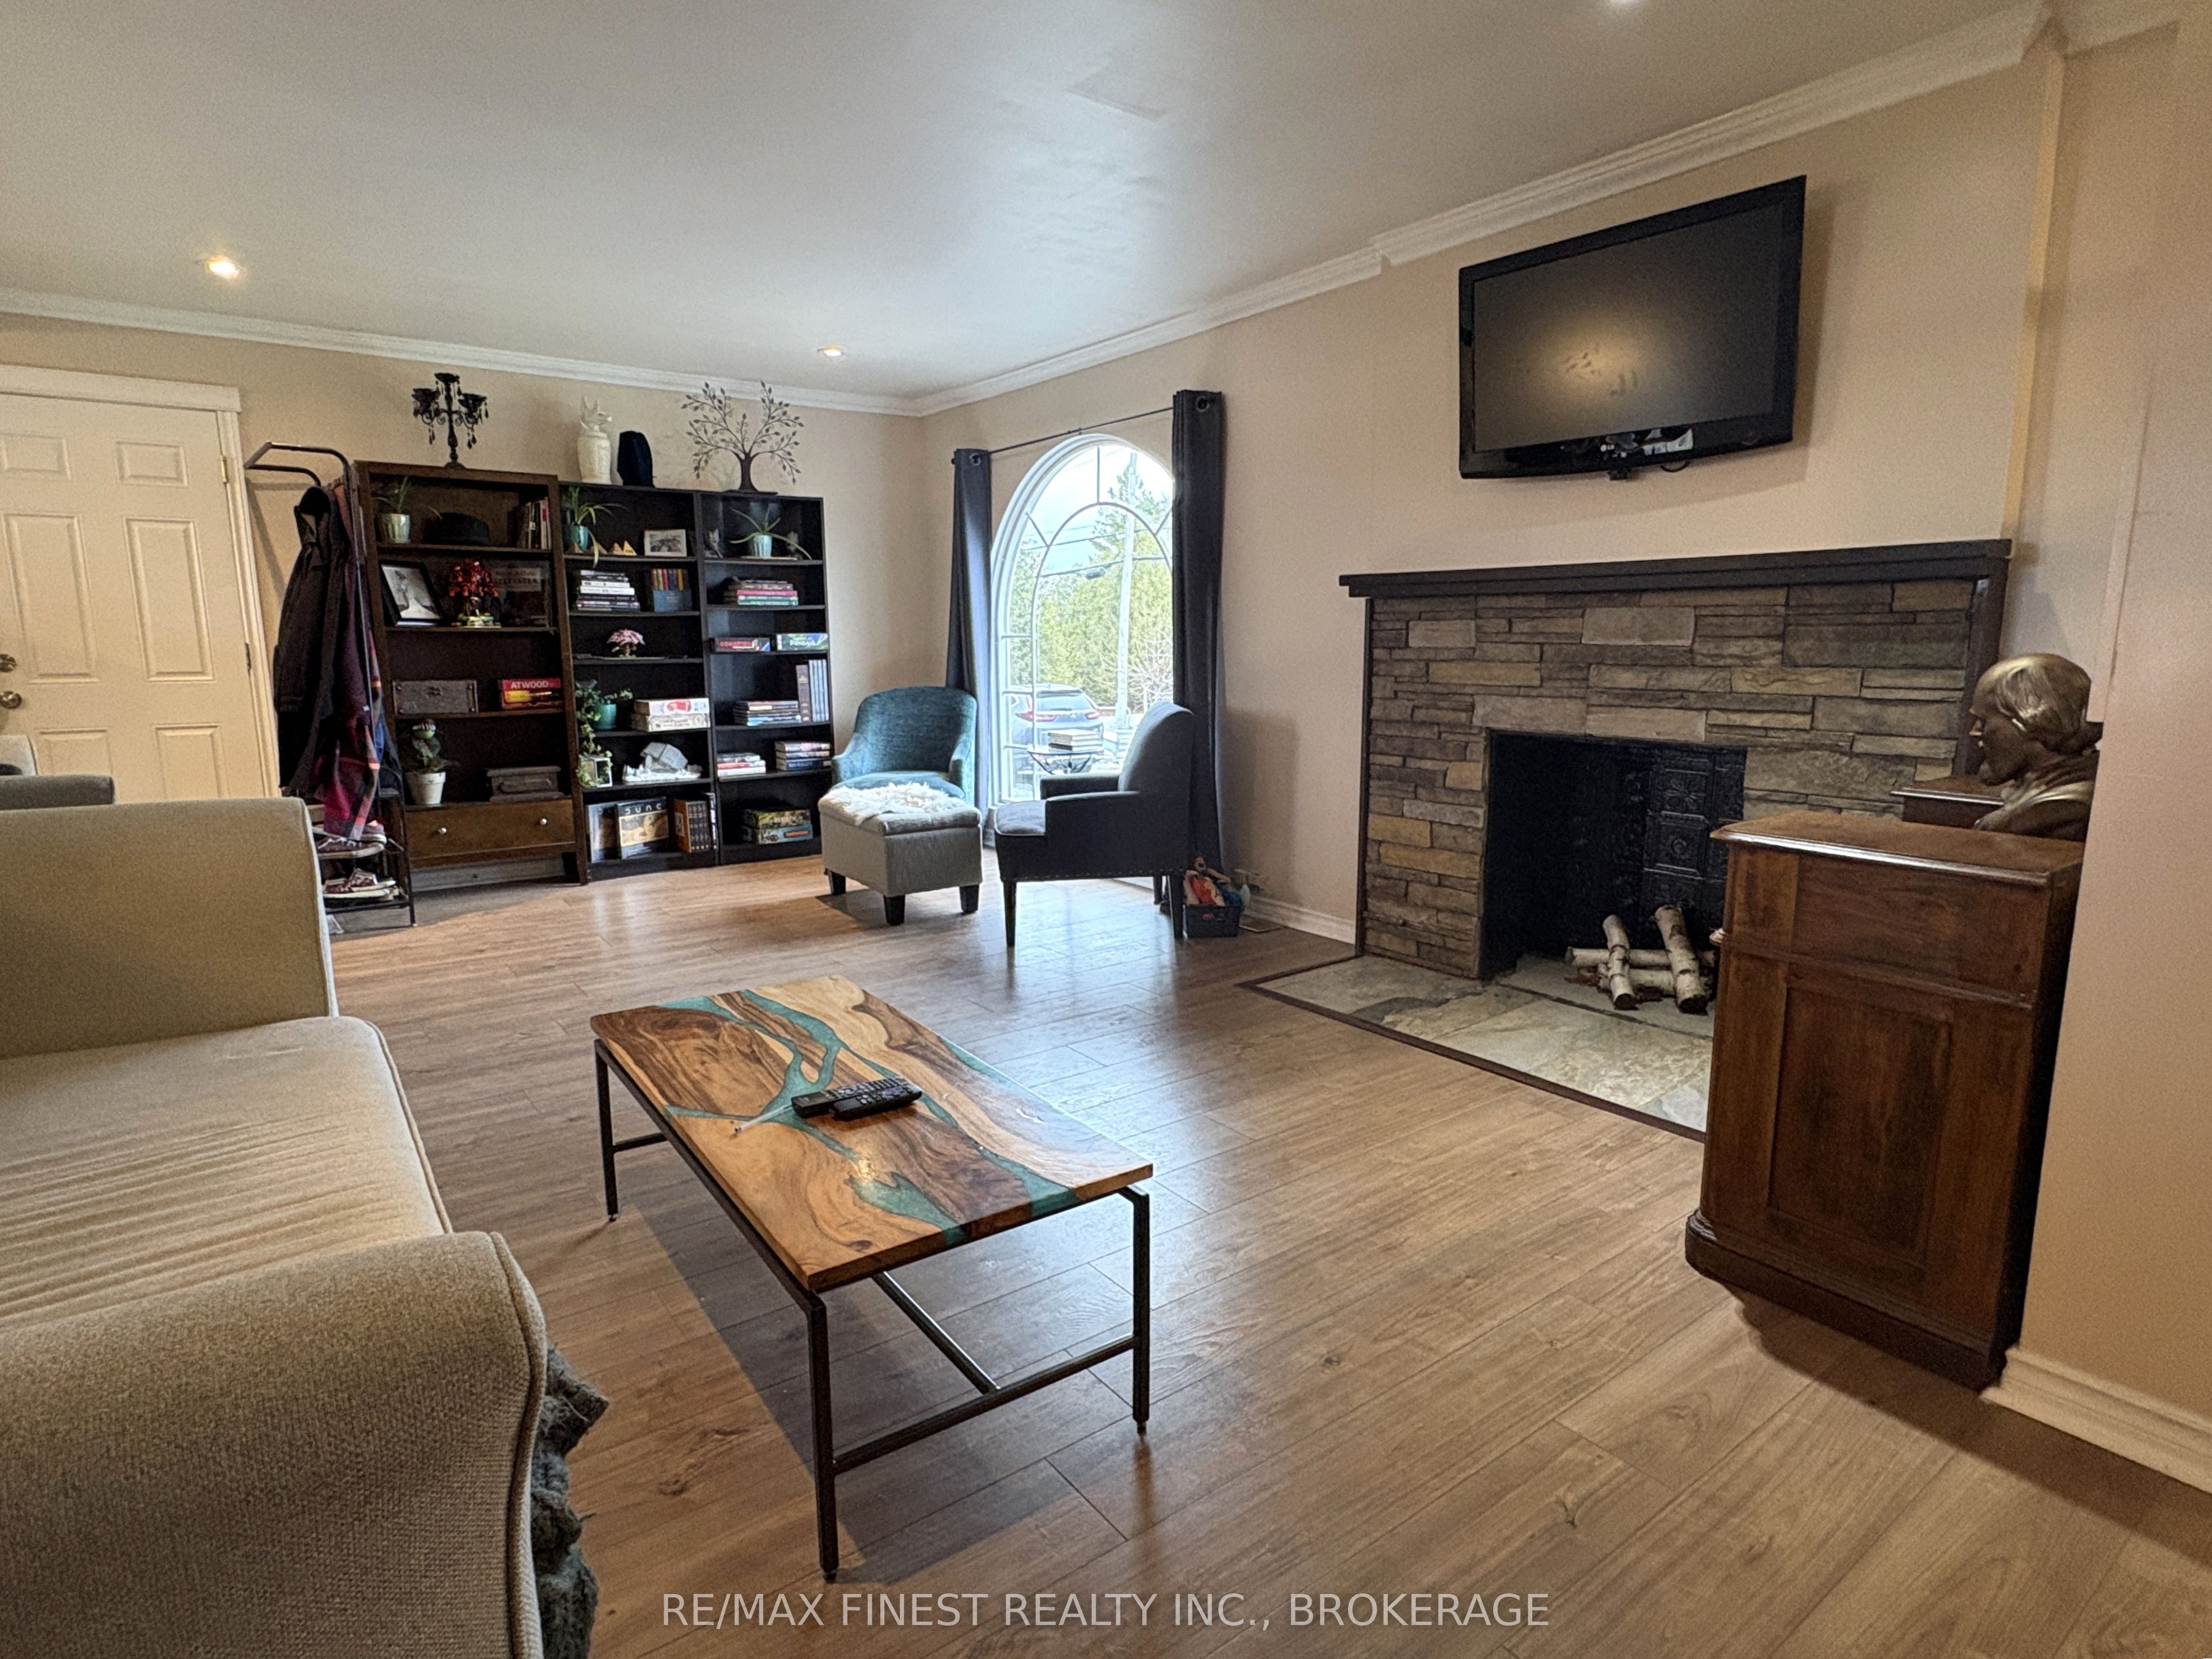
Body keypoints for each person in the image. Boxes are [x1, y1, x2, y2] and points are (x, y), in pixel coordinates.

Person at [1969, 653, 2100, 839]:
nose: (1974, 732)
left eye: (1983, 721)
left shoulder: (2060, 813)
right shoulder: (2040, 791)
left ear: (2032, 721)